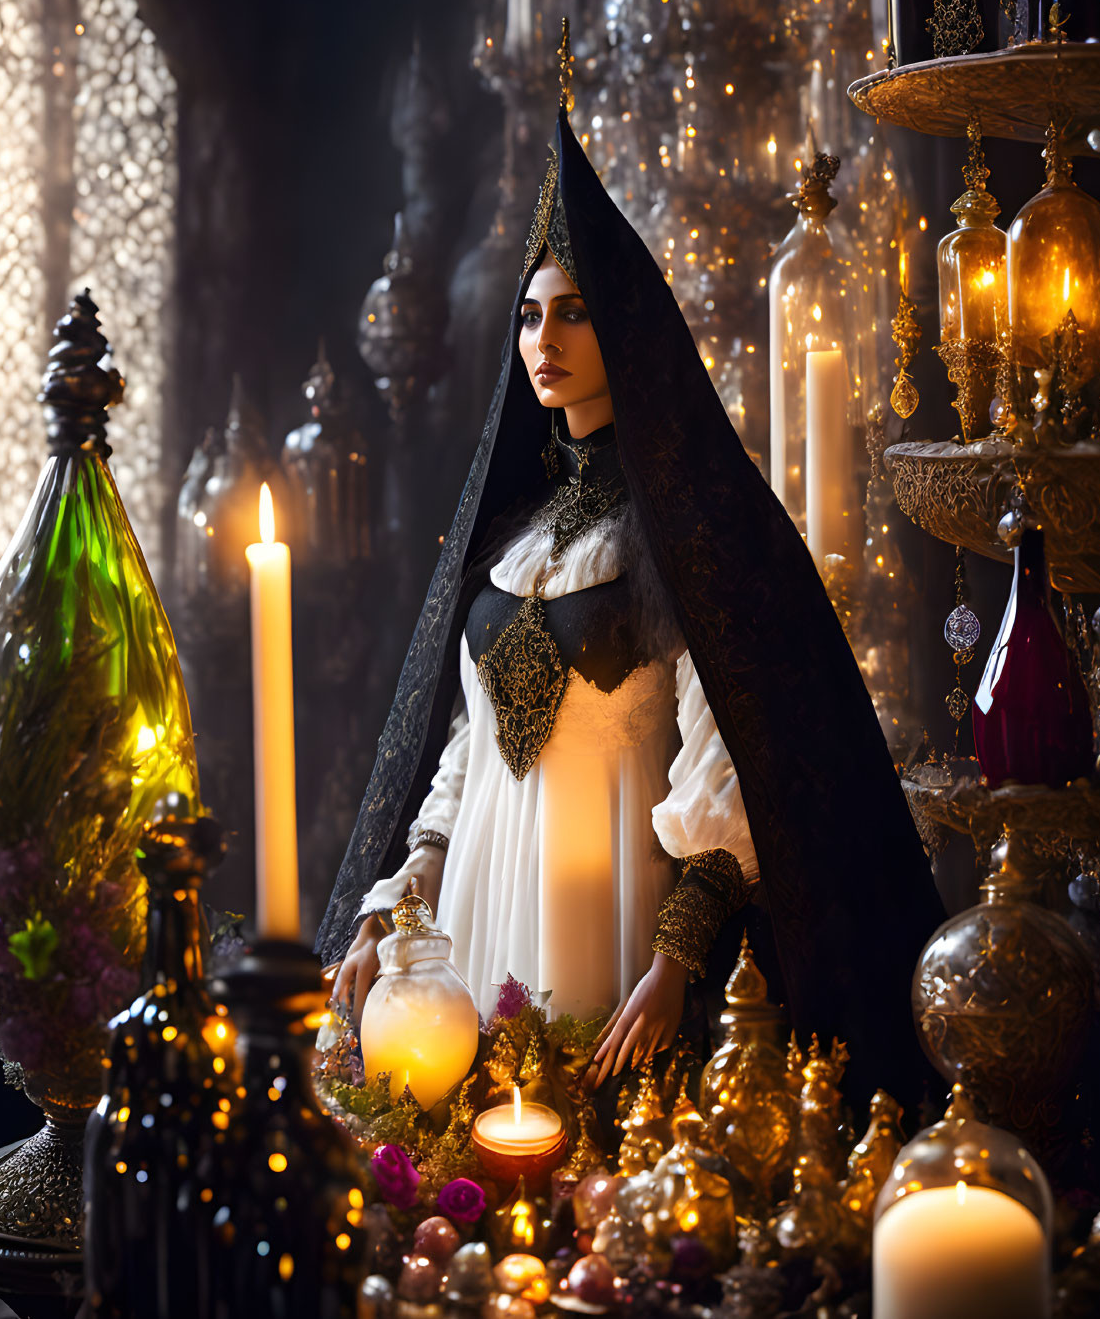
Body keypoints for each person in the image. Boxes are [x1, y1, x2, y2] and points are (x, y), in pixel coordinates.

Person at [323, 94, 943, 1102]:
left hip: (612, 931)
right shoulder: (514, 538)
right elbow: (462, 752)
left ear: (628, 327)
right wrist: (394, 912)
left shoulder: (686, 541)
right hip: (477, 917)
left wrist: (672, 966)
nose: (543, 337)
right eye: (529, 313)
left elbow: (729, 761)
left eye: (573, 310)